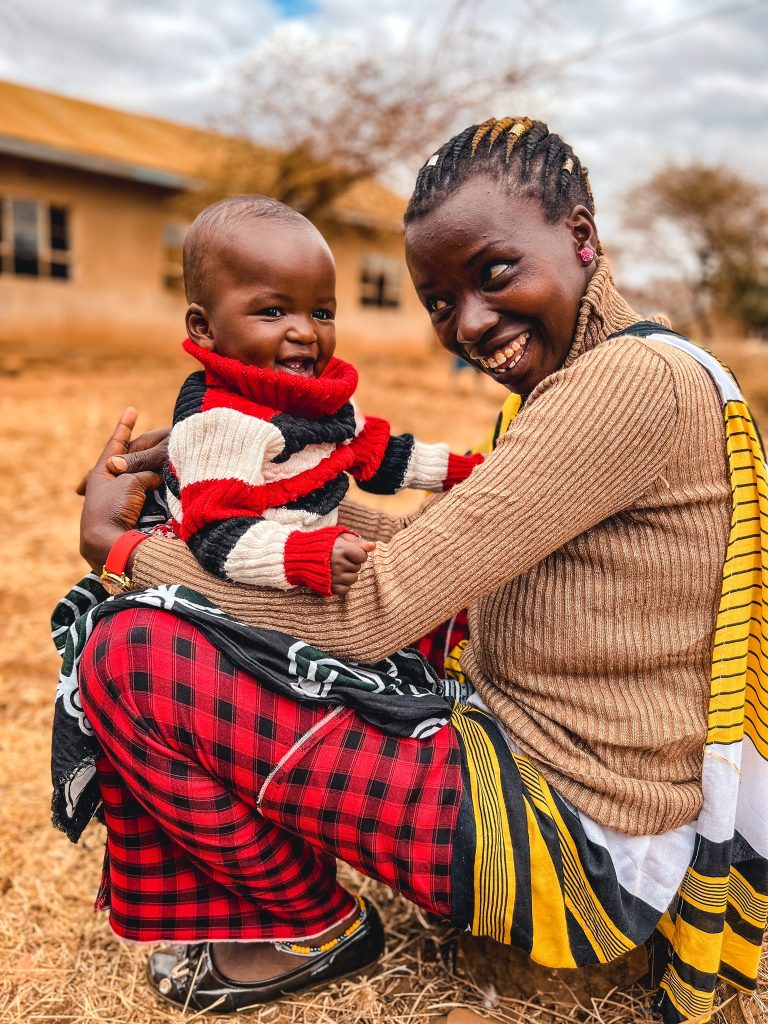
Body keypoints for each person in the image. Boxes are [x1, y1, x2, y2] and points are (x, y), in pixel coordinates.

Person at [60, 116, 768, 1022]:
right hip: (558, 773)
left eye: (495, 274)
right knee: (236, 607)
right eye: (439, 301)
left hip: (580, 845)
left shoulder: (624, 389)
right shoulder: (590, 378)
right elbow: (418, 549)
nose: (470, 324)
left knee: (132, 649)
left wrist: (126, 551)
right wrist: (249, 491)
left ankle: (305, 929)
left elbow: (373, 613)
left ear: (582, 238)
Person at [162, 194, 482, 598]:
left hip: (308, 556)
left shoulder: (316, 397)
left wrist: (470, 471)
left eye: (322, 313)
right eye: (274, 312)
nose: (306, 332)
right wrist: (306, 555)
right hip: (240, 589)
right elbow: (217, 535)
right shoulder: (221, 423)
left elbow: (381, 456)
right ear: (203, 327)